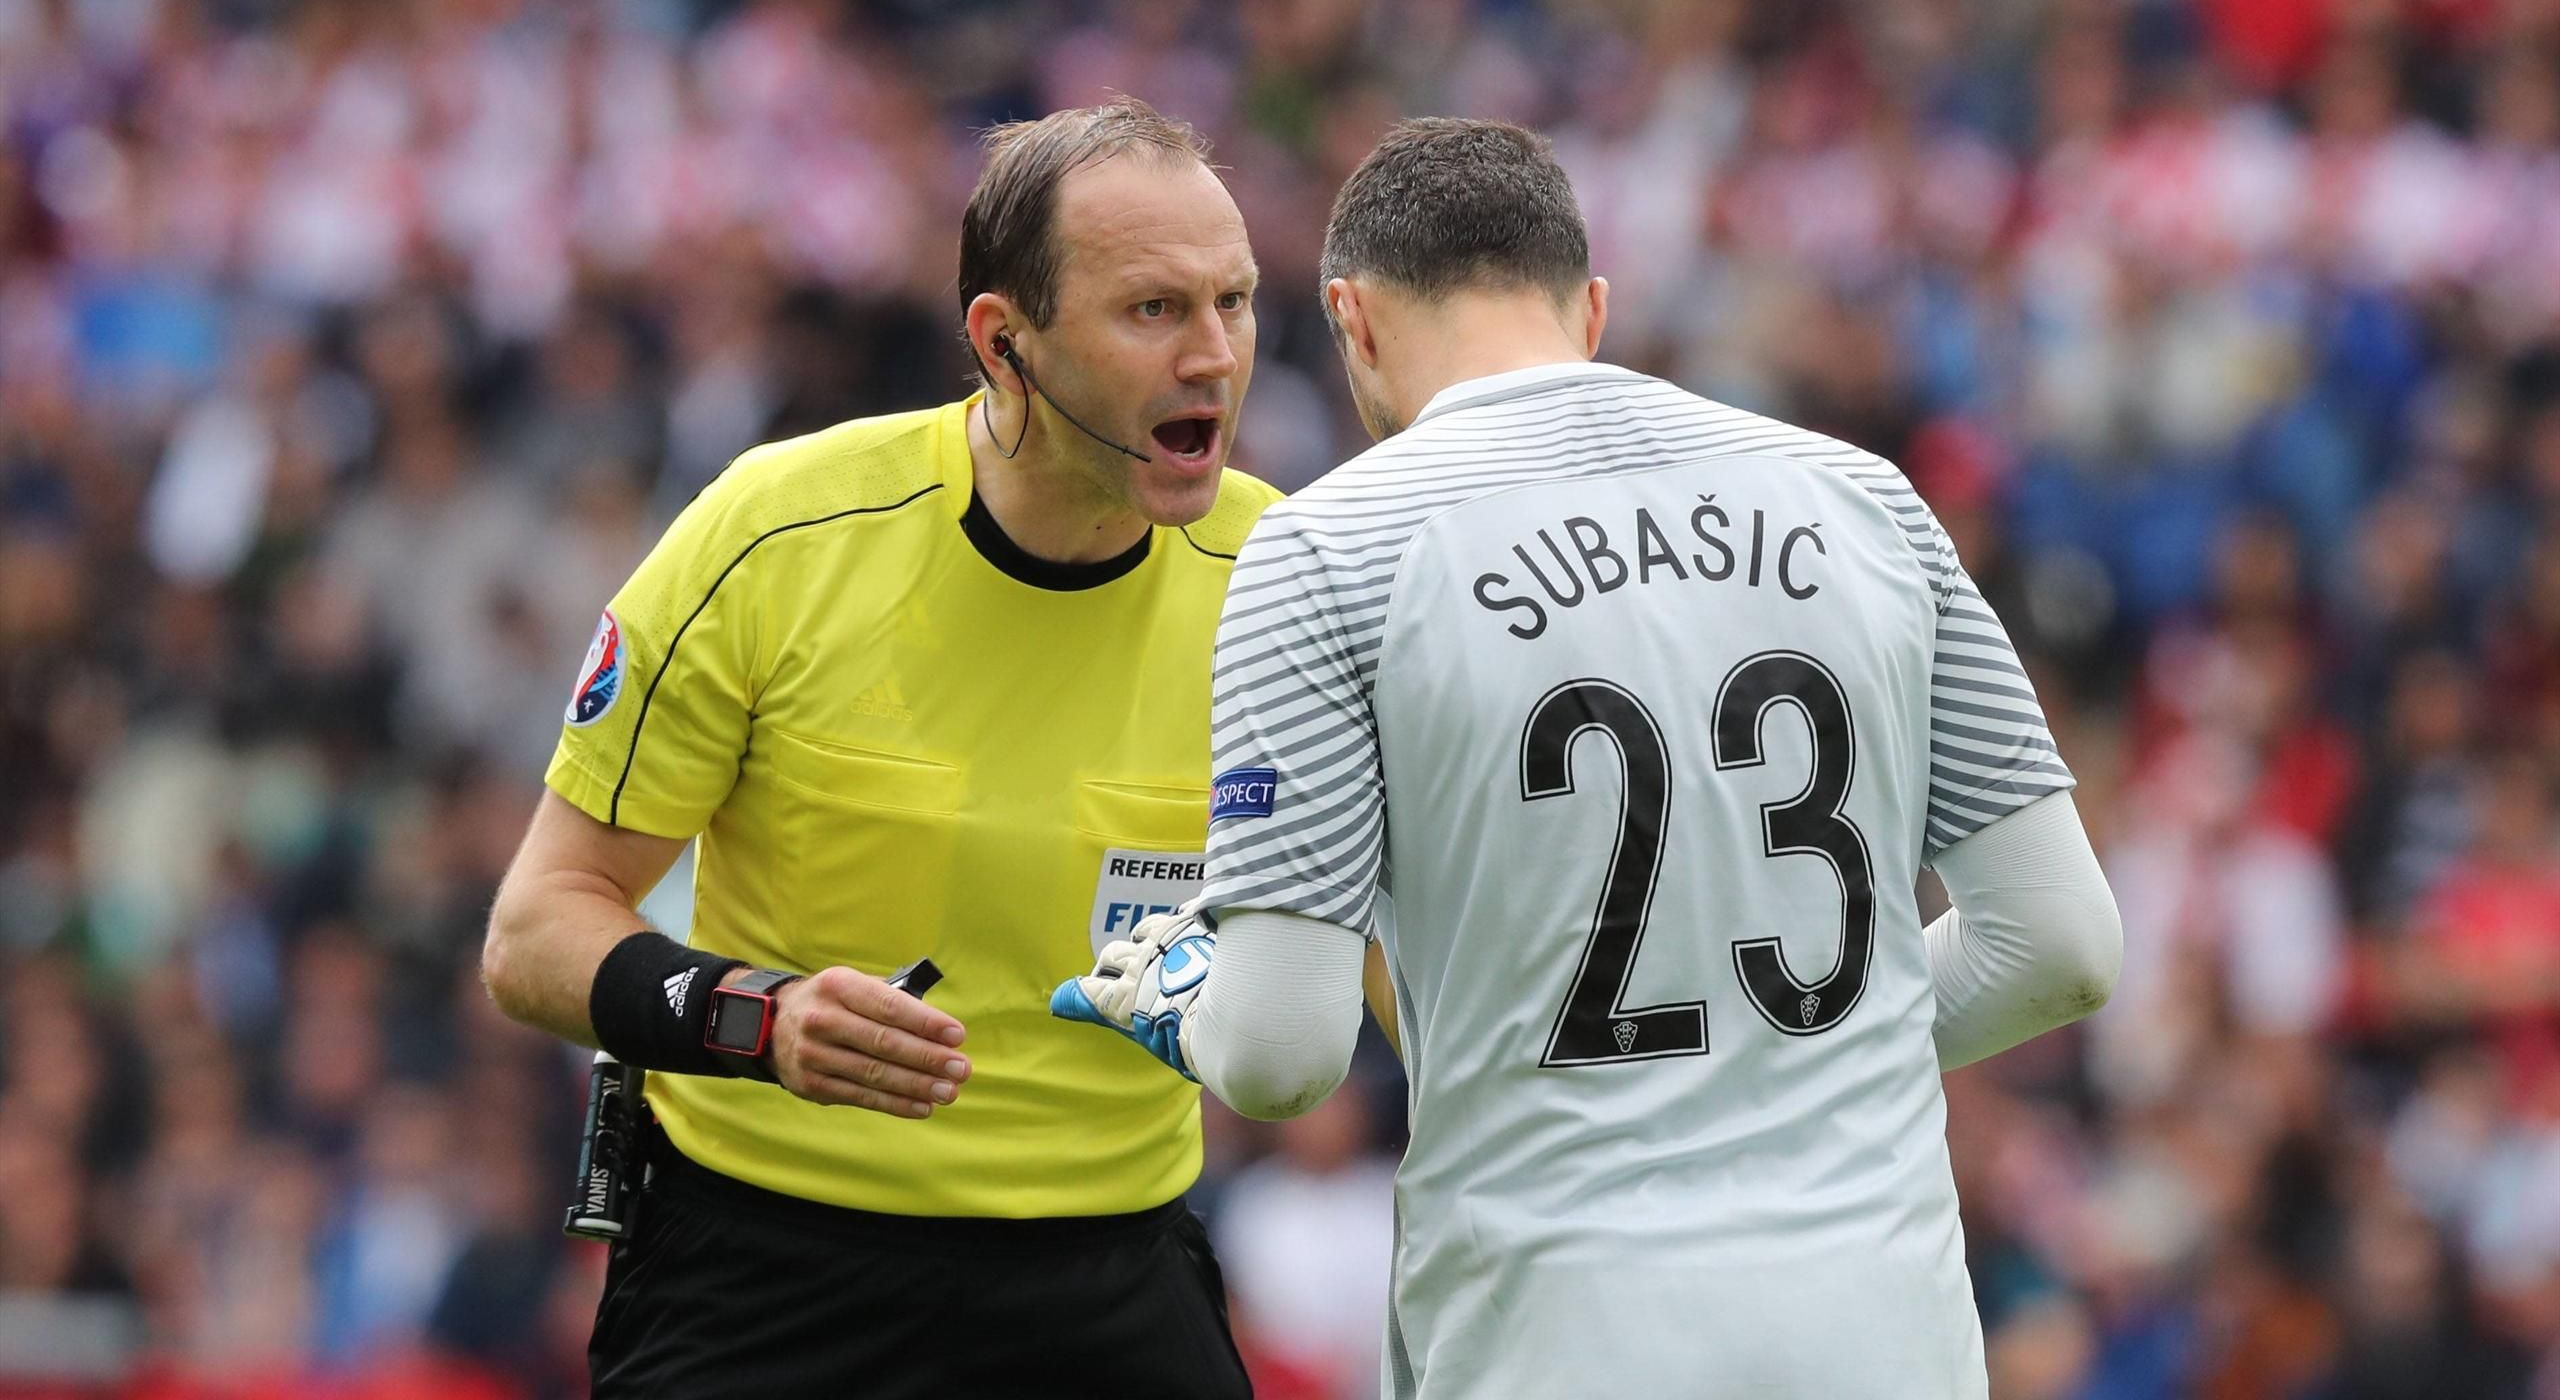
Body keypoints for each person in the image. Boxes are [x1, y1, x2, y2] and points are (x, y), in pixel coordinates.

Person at [1056, 119, 2123, 1398]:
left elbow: (1282, 1054)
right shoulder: (1864, 498)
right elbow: (2058, 944)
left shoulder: (1331, 547)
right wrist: (1777, 1063)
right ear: (1592, 310)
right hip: (1886, 1330)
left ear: (1351, 319)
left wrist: (1179, 997)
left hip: (1552, 1329)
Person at [481, 99, 1271, 1398]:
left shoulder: (1287, 578)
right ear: (1004, 343)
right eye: (1154, 310)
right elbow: (533, 933)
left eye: (1233, 301)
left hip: (1110, 1279)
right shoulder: (773, 534)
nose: (1215, 355)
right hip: (765, 1275)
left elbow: (1390, 966)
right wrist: (760, 1017)